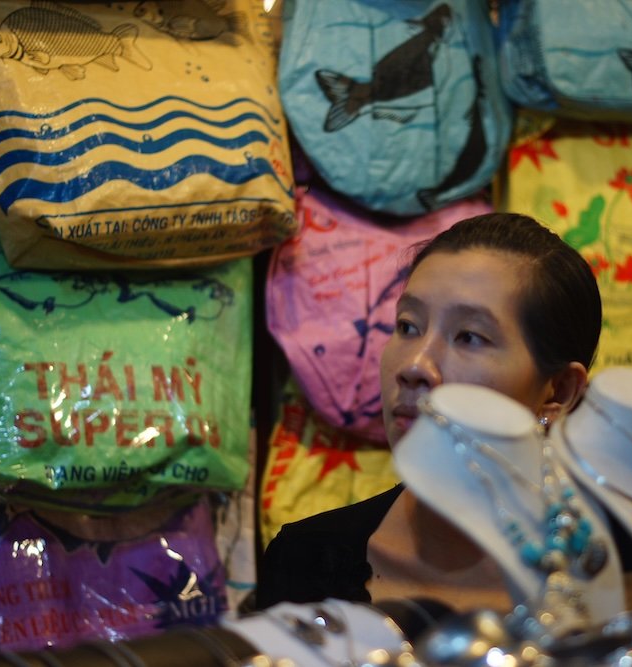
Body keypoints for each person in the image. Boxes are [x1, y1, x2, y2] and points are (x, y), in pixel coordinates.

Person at [256, 212, 603, 613]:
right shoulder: (304, 563)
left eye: (469, 337)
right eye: (407, 326)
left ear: (557, 391)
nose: (414, 365)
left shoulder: (626, 581)